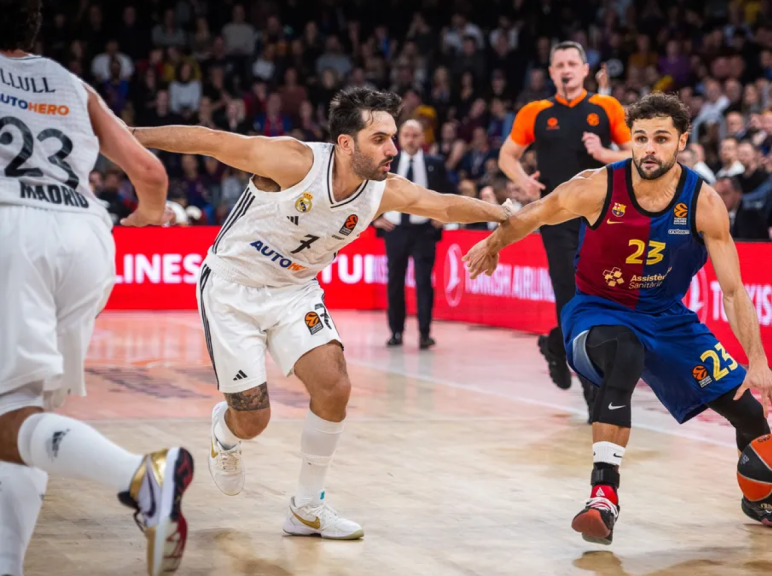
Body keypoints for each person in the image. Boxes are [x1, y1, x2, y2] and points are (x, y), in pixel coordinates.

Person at [132, 87, 511, 540]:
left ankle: (307, 507)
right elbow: (207, 140)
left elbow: (444, 204)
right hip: (233, 289)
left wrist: (504, 214)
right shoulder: (294, 162)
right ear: (346, 143)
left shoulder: (383, 191)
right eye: (380, 139)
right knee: (253, 421)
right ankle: (226, 434)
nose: (392, 148)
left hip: (295, 292)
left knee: (335, 387)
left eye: (393, 137)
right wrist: (125, 134)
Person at [465, 93, 772, 545]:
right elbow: (537, 214)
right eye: (640, 138)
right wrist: (494, 243)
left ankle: (759, 496)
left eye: (660, 139)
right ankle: (603, 495)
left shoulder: (703, 202)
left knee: (750, 414)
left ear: (681, 141)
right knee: (624, 352)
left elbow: (734, 290)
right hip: (598, 310)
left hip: (667, 317)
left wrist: (756, 359)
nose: (648, 148)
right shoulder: (598, 185)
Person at [0, 2, 192, 575]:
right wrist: (147, 219)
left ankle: (141, 477)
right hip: (85, 236)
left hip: (11, 228)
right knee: (22, 415)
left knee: (11, 416)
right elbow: (152, 175)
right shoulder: (72, 84)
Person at [499, 41, 632, 392]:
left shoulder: (606, 106)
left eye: (573, 63)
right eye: (559, 65)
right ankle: (594, 391)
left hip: (603, 218)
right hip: (555, 219)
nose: (566, 69)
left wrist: (603, 152)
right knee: (570, 297)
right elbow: (506, 156)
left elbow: (635, 150)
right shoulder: (536, 111)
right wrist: (523, 181)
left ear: (586, 70)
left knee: (603, 296)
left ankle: (555, 345)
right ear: (551, 72)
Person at [375, 119, 453, 349]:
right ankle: (396, 331)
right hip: (395, 230)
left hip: (424, 231)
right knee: (395, 283)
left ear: (423, 138)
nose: (410, 139)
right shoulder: (389, 162)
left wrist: (444, 216)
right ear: (400, 138)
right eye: (407, 135)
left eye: (415, 135)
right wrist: (375, 219)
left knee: (423, 283)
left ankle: (425, 332)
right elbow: (369, 190)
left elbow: (449, 192)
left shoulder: (434, 163)